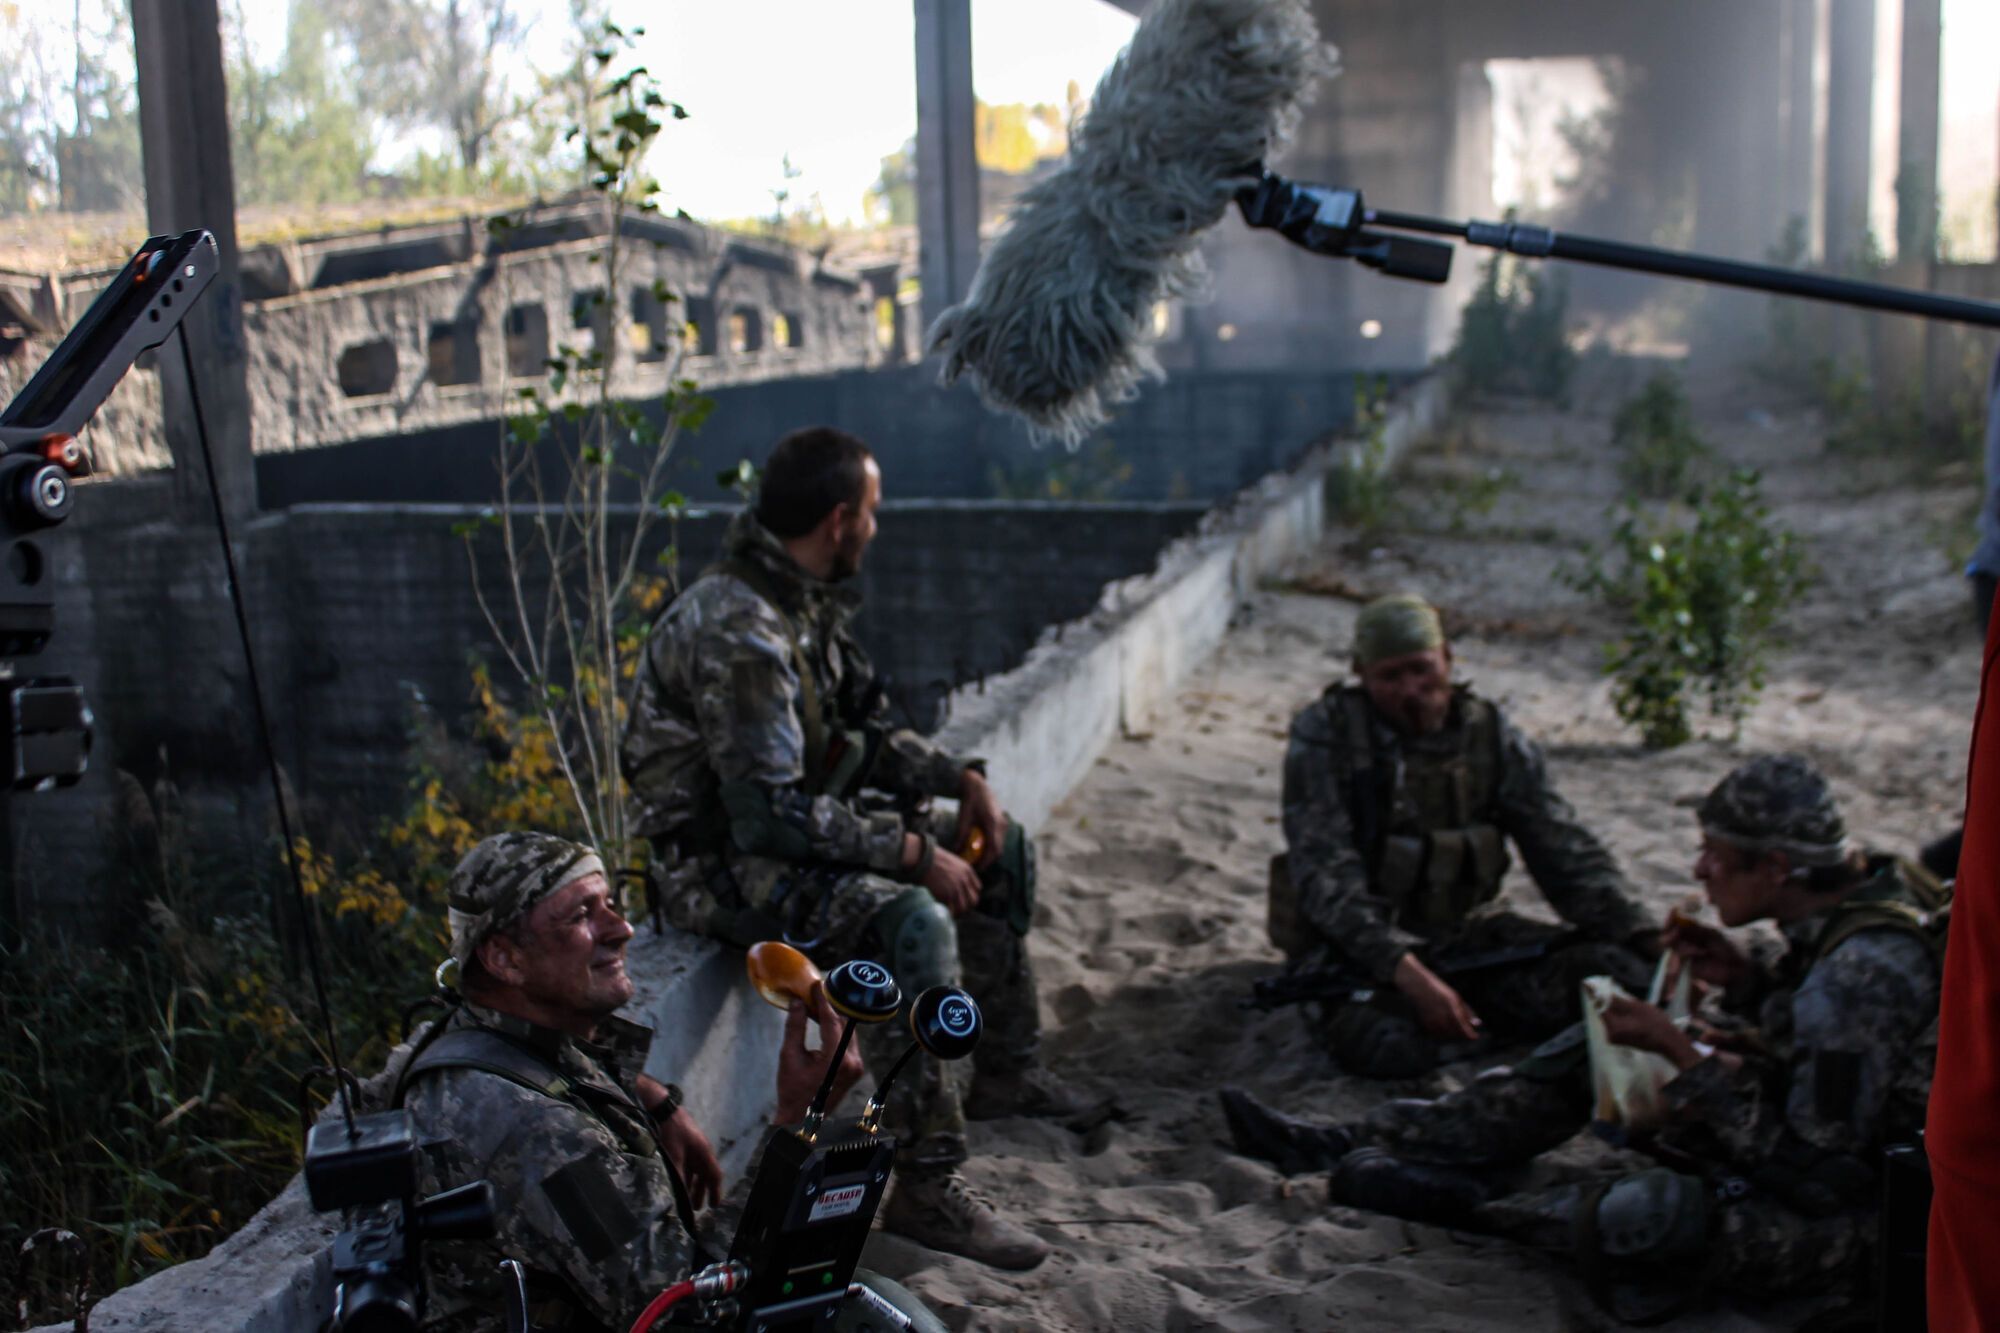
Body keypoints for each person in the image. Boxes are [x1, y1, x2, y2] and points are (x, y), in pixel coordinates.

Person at [1224, 754, 1945, 1322]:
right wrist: (1746, 981)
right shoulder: (1861, 901)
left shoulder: (1858, 975)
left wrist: (1682, 1054)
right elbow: (1817, 1053)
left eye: (1714, 853)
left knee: (1654, 1217)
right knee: (1599, 1037)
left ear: (1778, 868)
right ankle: (1365, 1138)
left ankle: (1475, 1206)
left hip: (1874, 1215)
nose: (1698, 869)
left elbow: (1821, 1172)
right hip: (1835, 1145)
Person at [618, 425, 1083, 1271]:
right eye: (872, 509)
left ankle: (1009, 1067)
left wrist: (959, 775)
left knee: (997, 850)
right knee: (912, 921)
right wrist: (910, 853)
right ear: (840, 519)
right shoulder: (741, 629)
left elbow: (865, 726)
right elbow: (768, 817)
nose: (877, 524)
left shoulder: (803, 598)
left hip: (787, 838)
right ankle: (928, 1187)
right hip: (716, 867)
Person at [380, 830, 945, 1332]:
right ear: (503, 958)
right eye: (581, 916)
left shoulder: (477, 1040)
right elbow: (690, 1309)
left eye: (611, 905)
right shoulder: (531, 1131)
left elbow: (557, 1071)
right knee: (874, 1311)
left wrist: (655, 1099)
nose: (621, 929)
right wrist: (797, 1120)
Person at [1274, 591, 1655, 1077]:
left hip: (1472, 937)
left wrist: (1644, 934)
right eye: (1390, 676)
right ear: (1361, 675)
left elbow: (1564, 851)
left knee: (1626, 981)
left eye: (1421, 669)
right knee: (1391, 1048)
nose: (1411, 690)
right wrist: (1408, 973)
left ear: (1448, 660)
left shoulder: (1491, 735)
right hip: (1363, 954)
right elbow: (1325, 876)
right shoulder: (1328, 736)